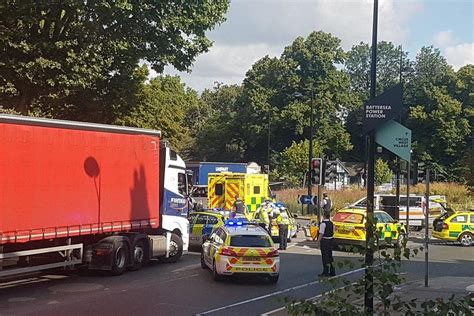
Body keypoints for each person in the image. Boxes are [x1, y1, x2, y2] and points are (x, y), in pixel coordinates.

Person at [317, 211, 335, 277]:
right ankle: (332, 271)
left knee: (325, 257)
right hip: (330, 240)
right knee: (330, 256)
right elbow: (333, 232)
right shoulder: (331, 223)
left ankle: (325, 272)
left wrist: (318, 241)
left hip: (325, 241)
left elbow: (321, 233)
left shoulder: (323, 224)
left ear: (324, 216)